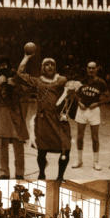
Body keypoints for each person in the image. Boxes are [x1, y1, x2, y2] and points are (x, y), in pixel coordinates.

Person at [15, 50, 70, 180]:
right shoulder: (37, 81)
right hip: (43, 120)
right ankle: (41, 174)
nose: (49, 66)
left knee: (66, 148)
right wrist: (26, 57)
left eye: (52, 64)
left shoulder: (62, 80)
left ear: (55, 67)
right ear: (42, 68)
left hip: (59, 120)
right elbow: (20, 73)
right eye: (46, 64)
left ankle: (60, 177)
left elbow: (70, 94)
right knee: (42, 151)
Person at [0, 61, 29, 179]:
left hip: (16, 114)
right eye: (0, 65)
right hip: (2, 114)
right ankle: (4, 172)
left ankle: (19, 172)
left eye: (5, 65)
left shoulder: (16, 77)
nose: (3, 67)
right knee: (3, 146)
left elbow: (25, 92)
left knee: (19, 147)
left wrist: (15, 85)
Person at [72, 61, 110, 170]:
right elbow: (73, 94)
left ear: (97, 69)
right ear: (86, 69)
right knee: (79, 136)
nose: (91, 70)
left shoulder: (101, 83)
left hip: (94, 111)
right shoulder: (81, 81)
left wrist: (97, 103)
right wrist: (79, 102)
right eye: (89, 68)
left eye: (93, 68)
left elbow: (108, 97)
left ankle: (96, 162)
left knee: (95, 137)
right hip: (82, 110)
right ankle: (79, 160)